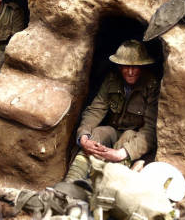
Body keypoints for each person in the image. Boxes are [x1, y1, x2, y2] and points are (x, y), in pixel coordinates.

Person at [65, 39, 160, 182]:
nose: (130, 71)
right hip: (113, 133)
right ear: (119, 66)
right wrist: (83, 137)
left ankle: (103, 184)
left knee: (128, 135)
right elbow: (95, 110)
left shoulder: (151, 85)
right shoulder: (112, 80)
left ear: (143, 67)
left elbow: (150, 130)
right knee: (99, 132)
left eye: (135, 67)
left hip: (134, 142)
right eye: (125, 66)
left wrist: (123, 153)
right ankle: (71, 184)